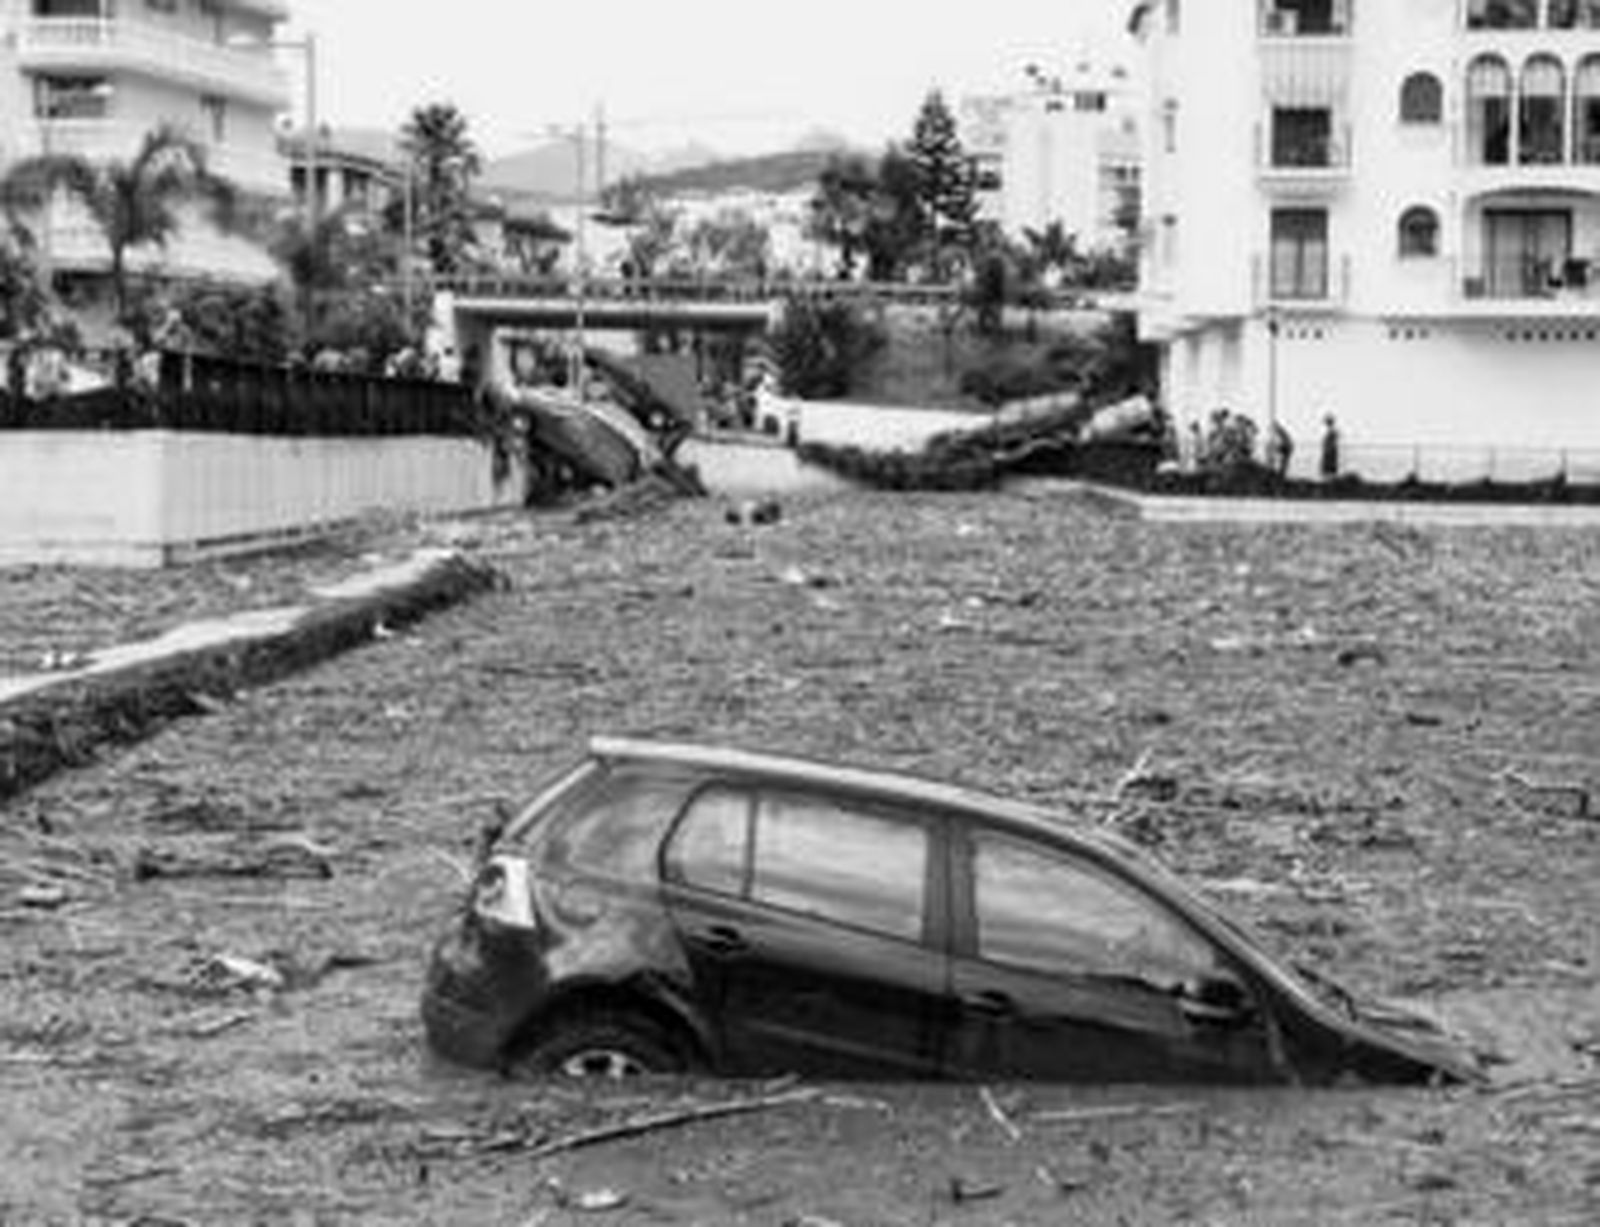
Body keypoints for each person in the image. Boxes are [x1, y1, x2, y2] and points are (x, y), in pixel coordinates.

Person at [1320, 413, 1341, 481]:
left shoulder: (1332, 431)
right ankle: (1329, 480)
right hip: (1329, 450)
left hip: (1330, 451)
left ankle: (1330, 480)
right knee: (1328, 467)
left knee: (1330, 467)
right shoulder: (1330, 431)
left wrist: (1328, 449)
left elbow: (1332, 441)